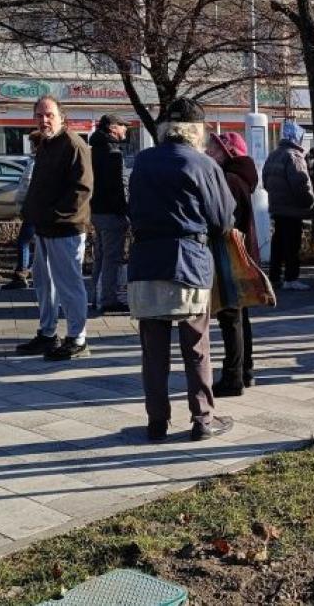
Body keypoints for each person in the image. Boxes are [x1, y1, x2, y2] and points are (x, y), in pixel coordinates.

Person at [128, 99, 236, 442]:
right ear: (197, 130)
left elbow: (132, 209)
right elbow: (222, 219)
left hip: (146, 261)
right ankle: (202, 418)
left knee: (153, 350)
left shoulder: (142, 162)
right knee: (196, 346)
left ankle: (156, 422)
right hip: (187, 260)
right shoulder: (203, 164)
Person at [15, 95, 94, 361]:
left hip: (66, 227)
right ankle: (48, 333)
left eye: (49, 115)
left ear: (62, 117)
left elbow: (82, 189)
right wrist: (31, 212)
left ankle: (77, 338)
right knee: (44, 284)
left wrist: (54, 215)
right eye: (39, 115)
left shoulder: (74, 144)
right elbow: (39, 185)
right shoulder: (47, 144)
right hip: (45, 227)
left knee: (69, 285)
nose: (44, 120)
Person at [204, 131, 259, 396]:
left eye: (213, 149)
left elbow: (222, 220)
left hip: (229, 254)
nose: (208, 152)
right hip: (241, 252)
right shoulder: (241, 178)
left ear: (228, 153)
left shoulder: (228, 180)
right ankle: (245, 371)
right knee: (239, 316)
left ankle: (233, 377)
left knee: (230, 316)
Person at [263, 119, 313, 290]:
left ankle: (275, 276)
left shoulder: (274, 154)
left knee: (277, 243)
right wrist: (308, 202)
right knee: (292, 244)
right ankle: (291, 278)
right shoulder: (294, 156)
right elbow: (300, 183)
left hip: (276, 206)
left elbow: (265, 181)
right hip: (292, 208)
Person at [88, 114, 130, 314]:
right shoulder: (113, 151)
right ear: (113, 128)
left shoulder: (94, 148)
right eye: (123, 126)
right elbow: (118, 186)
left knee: (101, 255)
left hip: (96, 209)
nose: (126, 130)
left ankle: (94, 297)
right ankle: (108, 300)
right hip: (111, 212)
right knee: (112, 257)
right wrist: (125, 210)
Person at [3, 142, 36, 291]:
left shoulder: (34, 162)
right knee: (36, 242)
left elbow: (26, 184)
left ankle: (21, 275)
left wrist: (20, 203)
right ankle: (31, 273)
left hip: (32, 207)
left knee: (24, 241)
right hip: (39, 207)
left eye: (32, 143)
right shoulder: (45, 159)